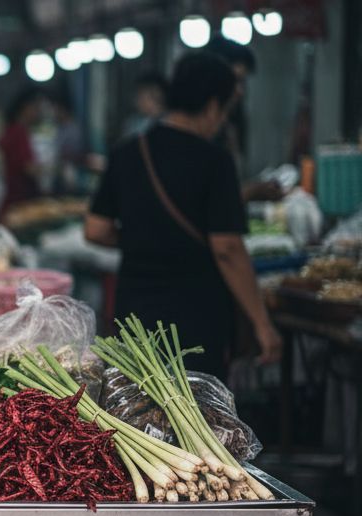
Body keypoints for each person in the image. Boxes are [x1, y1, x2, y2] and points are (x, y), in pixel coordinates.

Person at [85, 53, 281, 381]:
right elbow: (227, 248)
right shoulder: (215, 161)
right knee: (193, 413)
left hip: (134, 311)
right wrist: (263, 324)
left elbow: (95, 229)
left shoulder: (128, 151)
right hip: (194, 318)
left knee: (134, 407)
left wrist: (142, 239)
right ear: (212, 106)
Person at [206, 35, 283, 203]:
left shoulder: (229, 124)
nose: (239, 91)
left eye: (242, 82)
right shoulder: (198, 133)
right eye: (235, 81)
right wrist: (253, 191)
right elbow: (203, 201)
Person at [0, 87, 45, 220]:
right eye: (37, 108)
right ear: (26, 107)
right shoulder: (19, 132)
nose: (39, 112)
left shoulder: (11, 129)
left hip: (13, 197)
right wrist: (49, 169)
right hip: (19, 200)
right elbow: (28, 168)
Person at [122, 72, 167, 139]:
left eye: (140, 95)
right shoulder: (133, 123)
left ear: (157, 93)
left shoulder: (171, 121)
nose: (136, 101)